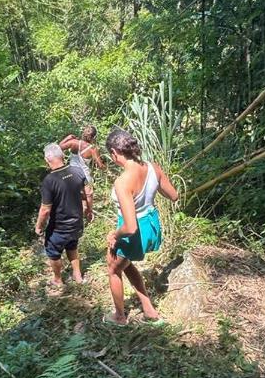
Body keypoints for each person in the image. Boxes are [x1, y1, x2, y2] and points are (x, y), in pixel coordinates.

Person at [104, 128, 178, 325]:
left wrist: (114, 234)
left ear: (114, 153)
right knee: (125, 263)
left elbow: (130, 227)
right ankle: (149, 311)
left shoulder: (122, 182)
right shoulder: (153, 168)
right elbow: (173, 195)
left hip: (135, 231)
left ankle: (119, 317)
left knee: (112, 268)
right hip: (151, 226)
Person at [35, 143, 93, 294]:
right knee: (72, 245)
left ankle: (58, 279)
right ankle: (78, 276)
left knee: (53, 251)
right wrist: (89, 210)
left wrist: (39, 227)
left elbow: (45, 209)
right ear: (62, 155)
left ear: (47, 159)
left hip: (60, 226)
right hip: (76, 222)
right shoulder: (77, 170)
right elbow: (89, 192)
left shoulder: (49, 180)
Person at [59, 125, 105, 215]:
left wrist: (67, 138)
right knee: (88, 194)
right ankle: (89, 213)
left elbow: (59, 147)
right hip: (84, 175)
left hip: (71, 173)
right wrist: (105, 167)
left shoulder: (73, 142)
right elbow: (100, 165)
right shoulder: (92, 149)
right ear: (93, 137)